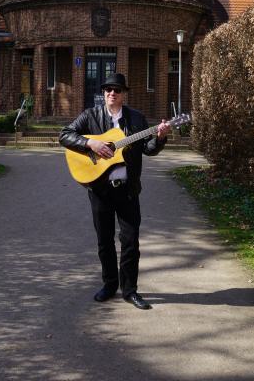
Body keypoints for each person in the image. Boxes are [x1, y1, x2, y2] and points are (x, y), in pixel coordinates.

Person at [59, 73, 171, 310]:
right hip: (100, 190)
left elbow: (148, 150)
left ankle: (130, 291)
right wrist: (91, 144)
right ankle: (109, 285)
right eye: (108, 89)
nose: (112, 93)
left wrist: (160, 138)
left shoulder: (137, 119)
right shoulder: (91, 115)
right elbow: (65, 135)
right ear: (104, 93)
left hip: (128, 191)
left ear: (123, 94)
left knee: (130, 241)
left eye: (117, 90)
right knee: (104, 241)